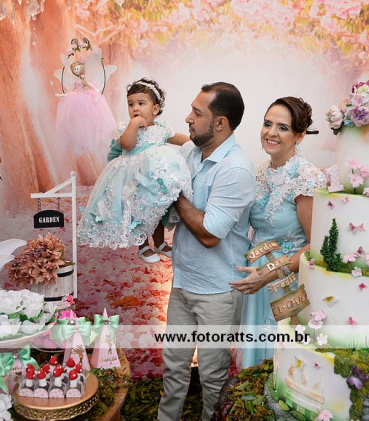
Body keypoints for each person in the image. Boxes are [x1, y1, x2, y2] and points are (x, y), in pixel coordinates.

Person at [158, 82, 255, 421]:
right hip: (183, 282)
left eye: (197, 113)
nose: (188, 117)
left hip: (217, 292)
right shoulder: (193, 153)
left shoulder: (236, 169)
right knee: (173, 367)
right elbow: (178, 140)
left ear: (220, 123)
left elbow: (210, 234)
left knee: (213, 378)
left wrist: (173, 190)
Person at [229, 97, 326, 369]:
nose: (271, 133)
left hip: (285, 285)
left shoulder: (306, 177)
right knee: (251, 366)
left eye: (282, 127)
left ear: (300, 135)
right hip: (254, 279)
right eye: (267, 124)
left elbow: (316, 245)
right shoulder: (260, 170)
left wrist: (269, 273)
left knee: (280, 365)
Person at [77, 78, 191, 261]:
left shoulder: (161, 129)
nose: (135, 108)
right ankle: (143, 246)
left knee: (156, 210)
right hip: (132, 179)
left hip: (152, 181)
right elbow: (127, 145)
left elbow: (178, 138)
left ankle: (160, 243)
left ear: (155, 109)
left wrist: (194, 143)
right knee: (138, 213)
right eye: (131, 104)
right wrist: (134, 125)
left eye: (141, 103)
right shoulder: (127, 127)